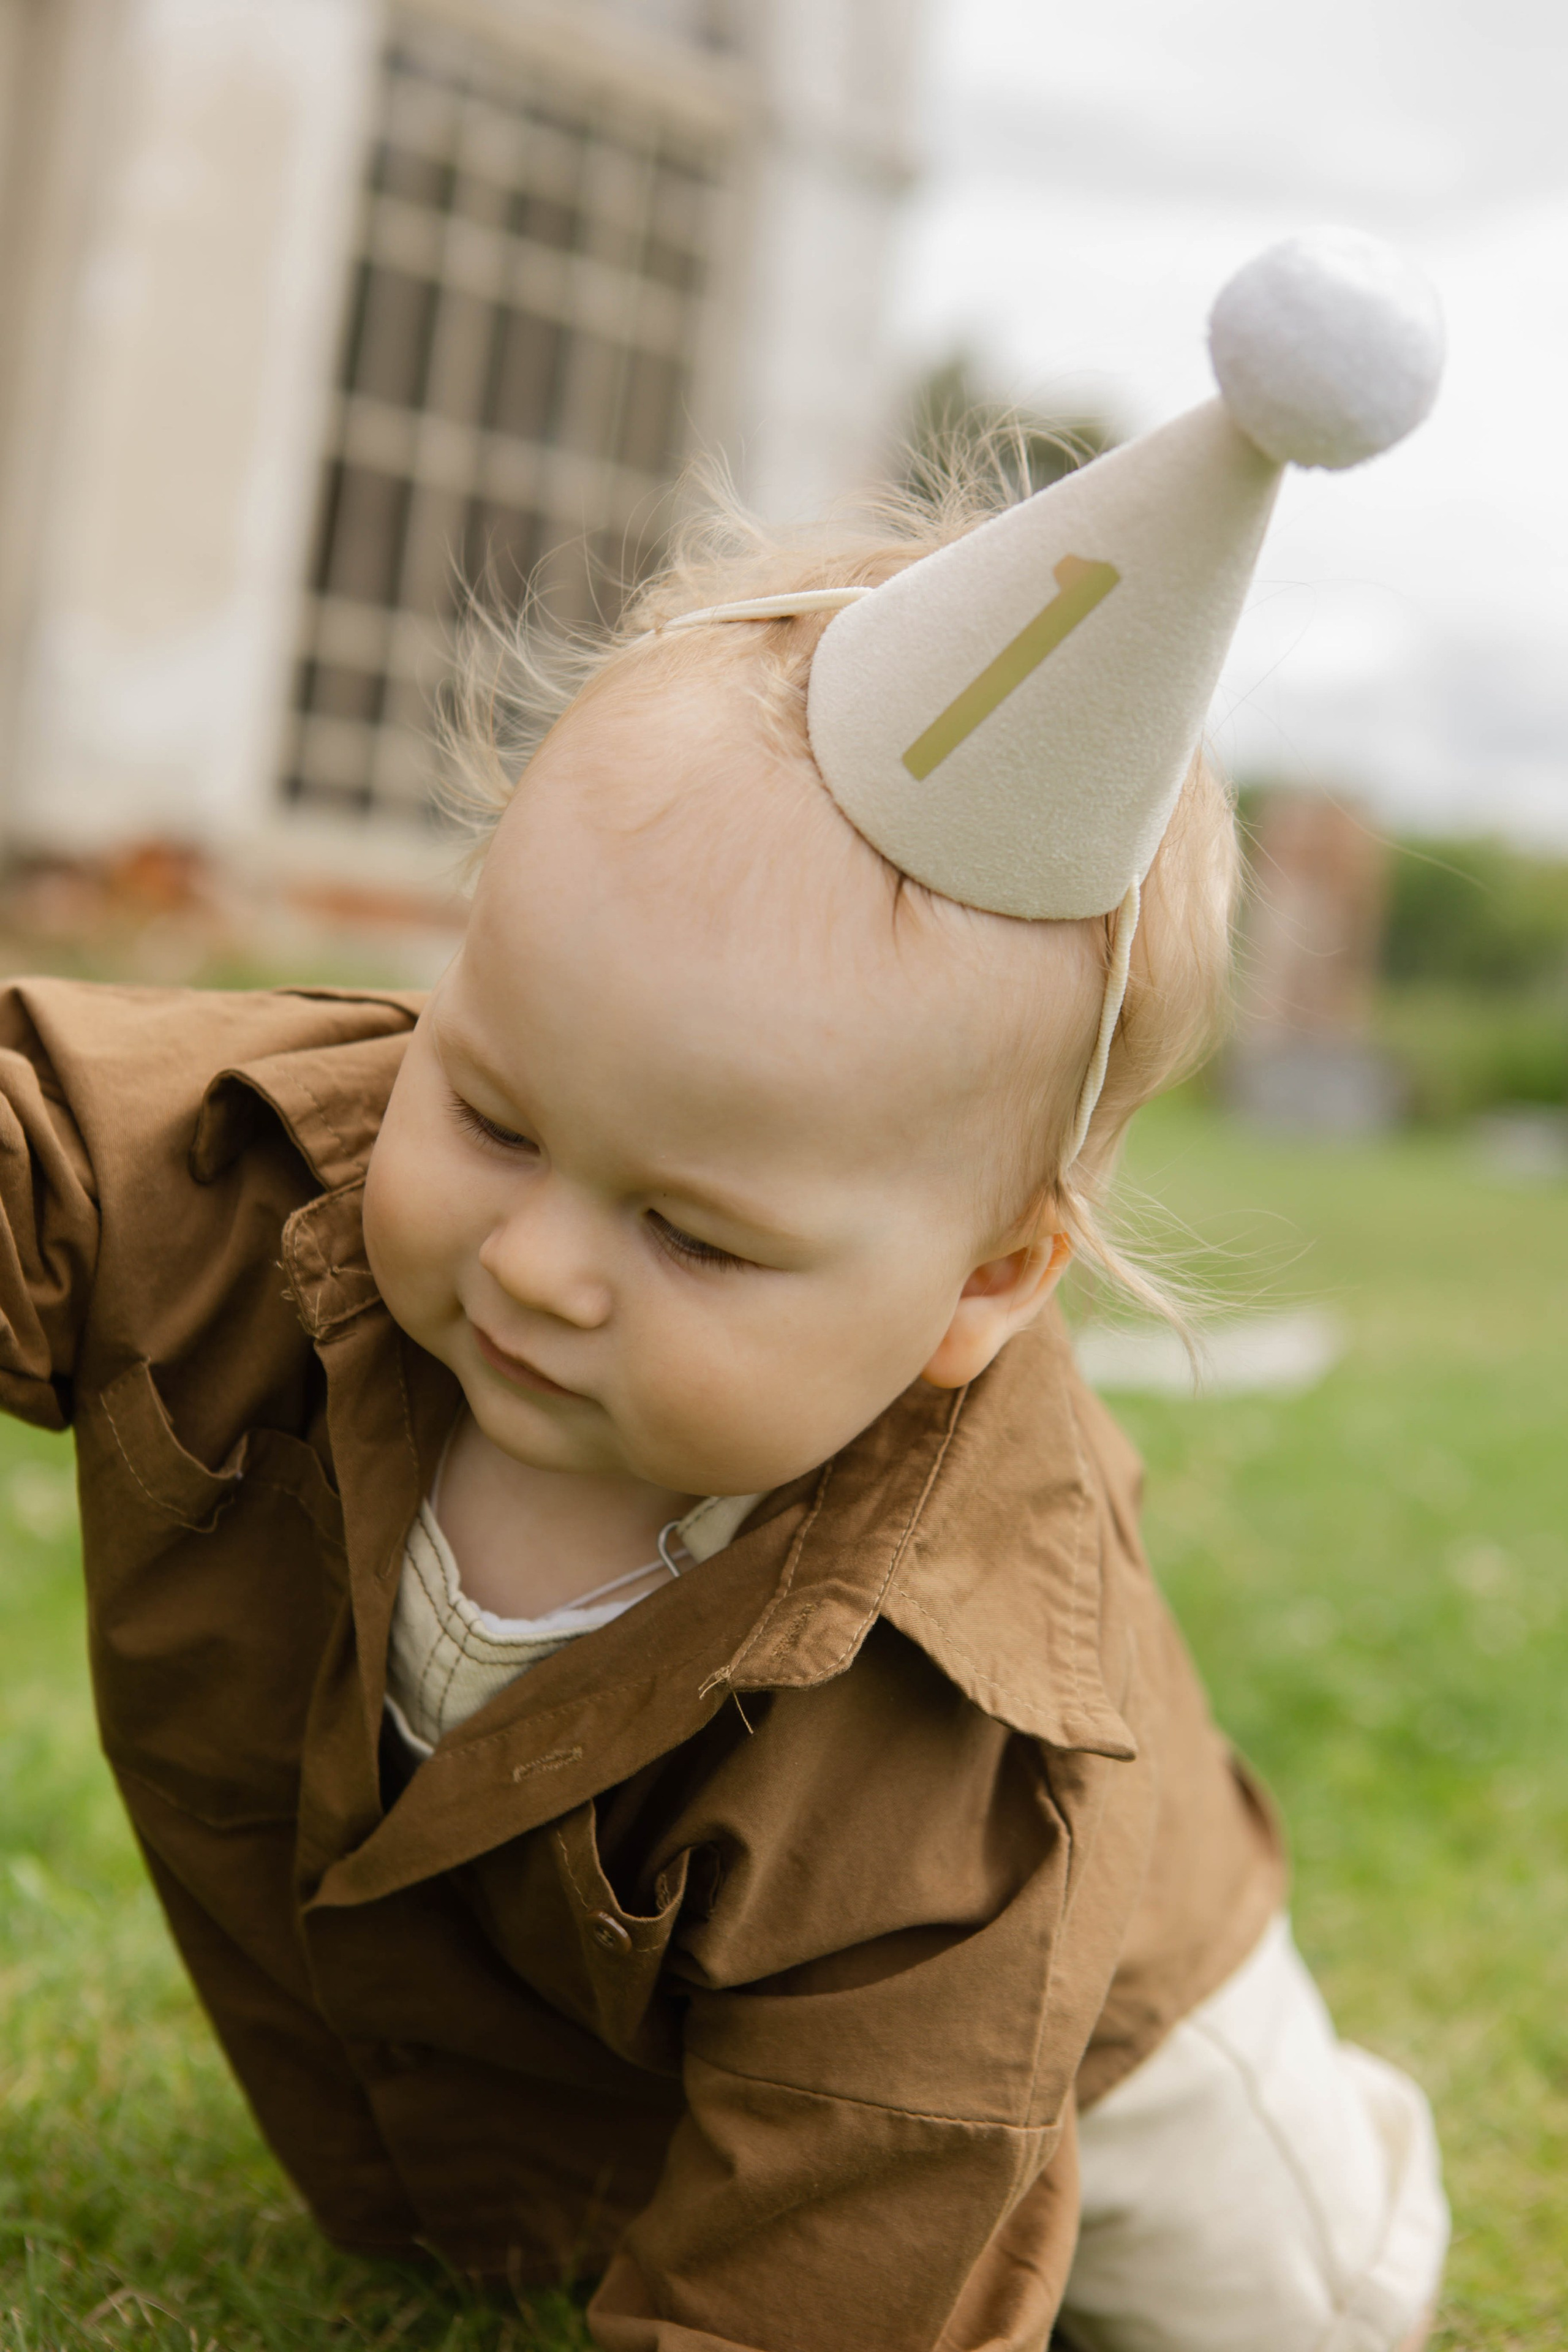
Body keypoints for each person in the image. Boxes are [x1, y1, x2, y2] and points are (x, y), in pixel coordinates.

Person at [1, 231, 1447, 2350]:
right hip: (590, 1973)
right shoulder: (268, 1173)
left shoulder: (955, 1766)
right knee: (605, 2139)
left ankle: (1347, 2180)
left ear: (984, 1282)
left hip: (1109, 2040)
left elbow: (855, 2214)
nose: (540, 1259)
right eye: (489, 1109)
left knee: (1272, 2302)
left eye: (694, 1233)